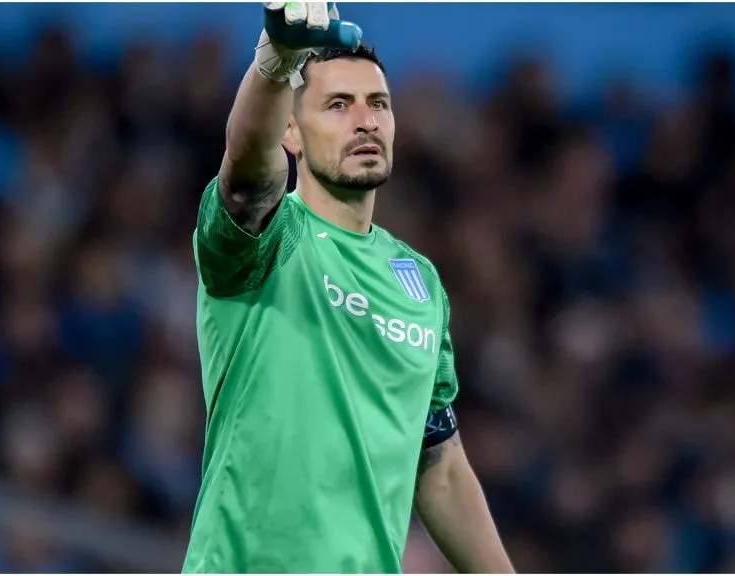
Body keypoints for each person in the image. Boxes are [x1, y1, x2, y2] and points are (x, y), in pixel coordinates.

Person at [184, 3, 515, 573]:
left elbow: (438, 460)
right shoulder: (268, 237)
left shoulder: (420, 284)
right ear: (290, 129)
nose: (365, 120)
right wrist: (275, 60)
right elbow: (244, 175)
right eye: (338, 105)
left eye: (378, 104)